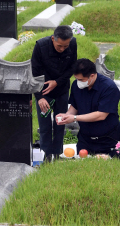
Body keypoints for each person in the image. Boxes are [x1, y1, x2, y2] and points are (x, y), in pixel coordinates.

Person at [55, 58, 120, 157]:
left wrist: (74, 118)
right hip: (85, 139)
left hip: (108, 139)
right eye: (76, 79)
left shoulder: (109, 87)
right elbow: (75, 106)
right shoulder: (76, 86)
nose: (78, 82)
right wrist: (67, 116)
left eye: (81, 79)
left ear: (92, 75)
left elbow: (101, 115)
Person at [31, 25, 77, 161]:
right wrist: (39, 97)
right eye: (59, 46)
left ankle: (57, 154)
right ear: (53, 39)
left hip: (62, 89)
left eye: (65, 46)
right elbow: (34, 73)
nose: (62, 49)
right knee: (44, 126)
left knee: (60, 124)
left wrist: (57, 82)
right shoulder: (40, 46)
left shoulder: (72, 43)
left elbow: (72, 67)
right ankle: (45, 155)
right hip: (44, 92)